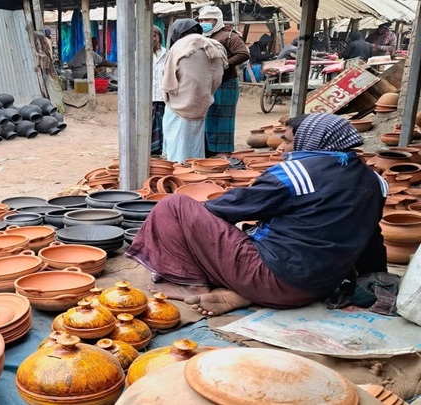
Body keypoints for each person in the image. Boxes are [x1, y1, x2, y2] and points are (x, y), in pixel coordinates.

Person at [127, 113, 387, 316]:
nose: (281, 148)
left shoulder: (298, 174)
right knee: (255, 233)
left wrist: (192, 225)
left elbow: (231, 207)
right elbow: (372, 239)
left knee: (174, 206)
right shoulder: (375, 180)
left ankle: (190, 283)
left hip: (273, 279)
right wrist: (375, 276)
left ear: (312, 141)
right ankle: (244, 293)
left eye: (287, 139)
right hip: (318, 287)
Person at [160, 19, 227, 163]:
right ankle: (196, 165)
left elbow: (169, 78)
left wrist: (171, 95)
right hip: (201, 101)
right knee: (195, 138)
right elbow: (217, 75)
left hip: (178, 101)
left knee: (176, 137)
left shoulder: (180, 45)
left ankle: (178, 165)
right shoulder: (212, 44)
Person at [199, 6, 249, 158]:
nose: (204, 23)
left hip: (225, 83)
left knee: (223, 117)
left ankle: (223, 151)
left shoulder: (229, 36)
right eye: (201, 20)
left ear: (217, 20)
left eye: (208, 20)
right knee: (208, 116)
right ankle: (209, 150)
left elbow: (243, 53)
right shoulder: (203, 37)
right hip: (208, 83)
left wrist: (224, 64)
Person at [151, 25, 168, 156]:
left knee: (163, 123)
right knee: (148, 123)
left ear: (159, 37)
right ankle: (149, 148)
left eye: (154, 35)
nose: (152, 38)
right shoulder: (138, 54)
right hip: (148, 96)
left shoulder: (167, 54)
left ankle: (161, 148)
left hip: (163, 96)